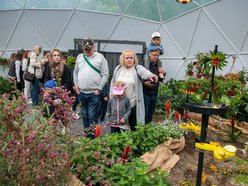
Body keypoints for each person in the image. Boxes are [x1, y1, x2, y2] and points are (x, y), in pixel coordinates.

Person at [111, 49, 158, 131]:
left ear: (134, 59)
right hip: (119, 105)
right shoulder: (118, 69)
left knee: (134, 128)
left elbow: (144, 72)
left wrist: (151, 75)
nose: (129, 60)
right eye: (127, 58)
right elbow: (112, 83)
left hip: (133, 104)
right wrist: (111, 97)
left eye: (131, 58)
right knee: (118, 128)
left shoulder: (137, 68)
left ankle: (134, 143)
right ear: (123, 59)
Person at [74, 38, 109, 129]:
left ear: (94, 47)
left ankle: (93, 137)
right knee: (84, 115)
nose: (87, 51)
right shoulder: (80, 57)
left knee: (92, 115)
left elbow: (105, 74)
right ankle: (87, 135)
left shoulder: (100, 57)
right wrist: (76, 84)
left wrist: (100, 88)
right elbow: (75, 72)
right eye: (85, 49)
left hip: (94, 92)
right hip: (81, 92)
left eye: (89, 49)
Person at [143, 46, 166, 124]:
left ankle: (148, 127)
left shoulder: (158, 66)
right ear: (149, 54)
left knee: (150, 113)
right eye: (154, 55)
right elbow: (139, 78)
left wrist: (163, 73)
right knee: (145, 113)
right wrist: (144, 83)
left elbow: (160, 79)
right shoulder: (144, 65)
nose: (156, 57)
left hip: (154, 92)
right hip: (145, 93)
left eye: (157, 55)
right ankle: (144, 129)